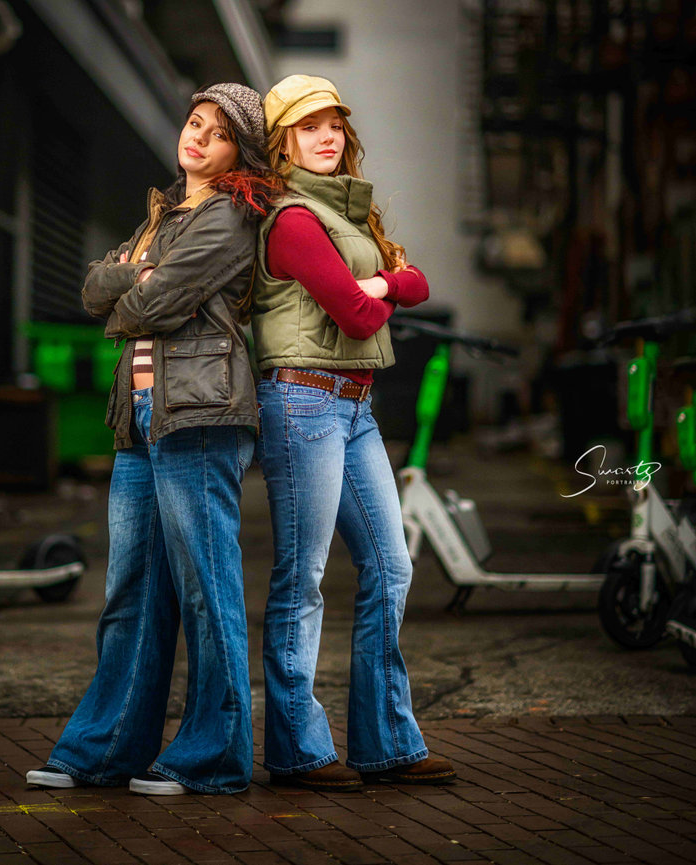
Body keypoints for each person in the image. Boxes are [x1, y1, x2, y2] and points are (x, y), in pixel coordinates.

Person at [26, 83, 279, 796]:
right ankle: (104, 750)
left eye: (217, 132)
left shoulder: (232, 214)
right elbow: (89, 286)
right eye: (193, 122)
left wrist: (131, 287)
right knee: (130, 589)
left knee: (206, 589)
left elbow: (148, 302)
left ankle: (213, 756)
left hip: (200, 414)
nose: (196, 137)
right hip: (137, 416)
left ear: (239, 152)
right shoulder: (163, 214)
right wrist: (131, 277)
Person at [252, 74, 455, 791]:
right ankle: (298, 751)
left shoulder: (350, 213)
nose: (327, 135)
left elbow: (419, 283)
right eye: (309, 127)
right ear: (282, 144)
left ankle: (386, 743)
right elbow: (358, 315)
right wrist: (380, 287)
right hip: (302, 402)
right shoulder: (295, 220)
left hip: (354, 406)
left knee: (390, 567)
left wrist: (385, 283)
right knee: (302, 578)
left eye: (334, 123)